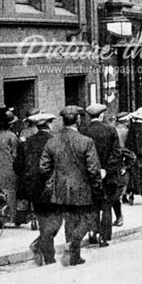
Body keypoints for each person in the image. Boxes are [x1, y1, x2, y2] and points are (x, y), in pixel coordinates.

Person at [38, 106, 102, 267]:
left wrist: (57, 177)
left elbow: (43, 168)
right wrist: (97, 187)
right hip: (82, 188)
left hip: (60, 190)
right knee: (87, 220)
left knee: (69, 221)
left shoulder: (52, 141)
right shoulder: (86, 141)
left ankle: (74, 256)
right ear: (78, 120)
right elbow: (93, 169)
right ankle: (73, 246)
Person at [16, 113, 54, 263]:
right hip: (52, 187)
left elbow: (17, 166)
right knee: (54, 222)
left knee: (45, 221)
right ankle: (48, 256)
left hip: (34, 189)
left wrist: (28, 180)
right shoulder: (54, 141)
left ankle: (39, 246)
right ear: (49, 124)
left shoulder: (26, 143)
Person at [83, 103, 123, 247]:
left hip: (90, 175)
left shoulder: (84, 131)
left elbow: (84, 155)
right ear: (101, 115)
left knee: (93, 205)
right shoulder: (110, 130)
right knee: (106, 205)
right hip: (109, 176)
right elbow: (117, 152)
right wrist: (106, 169)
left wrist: (93, 169)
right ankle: (104, 237)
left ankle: (93, 233)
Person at [0, 106, 23, 225]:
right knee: (11, 193)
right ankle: (10, 218)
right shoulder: (12, 136)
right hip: (9, 169)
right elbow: (15, 154)